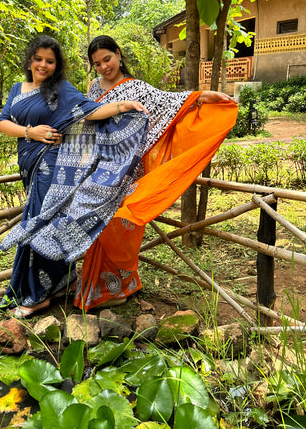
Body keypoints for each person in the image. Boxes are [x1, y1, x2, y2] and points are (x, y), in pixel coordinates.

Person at [73, 35, 238, 311]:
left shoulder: (137, 88)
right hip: (99, 168)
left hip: (129, 169)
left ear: (119, 53)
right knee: (100, 224)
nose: (104, 67)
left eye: (107, 59)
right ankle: (100, 287)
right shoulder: (93, 89)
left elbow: (169, 102)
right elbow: (85, 120)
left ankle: (121, 285)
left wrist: (201, 97)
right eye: (97, 64)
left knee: (123, 222)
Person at [0, 35, 149, 318]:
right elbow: (3, 122)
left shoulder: (62, 91)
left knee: (43, 224)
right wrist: (32, 132)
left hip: (52, 167)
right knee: (40, 221)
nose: (43, 65)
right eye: (39, 59)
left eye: (50, 61)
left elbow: (90, 113)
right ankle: (63, 283)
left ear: (57, 66)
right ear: (30, 60)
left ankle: (37, 295)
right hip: (29, 165)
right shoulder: (18, 89)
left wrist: (123, 106)